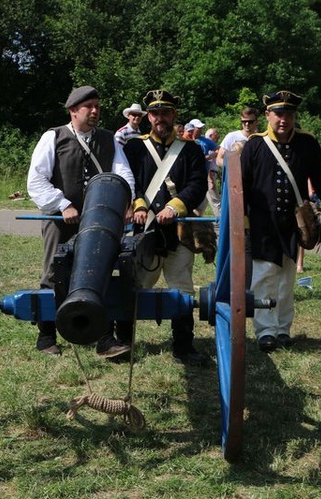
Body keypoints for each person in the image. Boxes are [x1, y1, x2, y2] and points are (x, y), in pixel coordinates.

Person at [26, 85, 136, 358]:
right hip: (60, 220)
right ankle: (47, 336)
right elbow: (36, 181)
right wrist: (62, 204)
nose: (95, 111)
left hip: (101, 221)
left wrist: (125, 201)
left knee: (100, 274)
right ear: (73, 111)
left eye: (97, 106)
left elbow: (124, 175)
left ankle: (104, 339)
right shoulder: (54, 137)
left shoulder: (109, 139)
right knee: (54, 272)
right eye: (89, 107)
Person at [241, 90, 321, 353]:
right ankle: (265, 332)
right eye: (278, 113)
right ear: (267, 115)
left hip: (293, 222)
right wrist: (242, 219)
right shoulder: (254, 145)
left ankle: (283, 329)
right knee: (264, 276)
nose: (283, 119)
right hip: (262, 221)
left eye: (288, 114)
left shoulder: (307, 143)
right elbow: (240, 185)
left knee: (286, 277)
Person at [123, 89, 209, 366]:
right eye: (155, 113)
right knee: (134, 285)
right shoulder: (134, 147)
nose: (160, 118)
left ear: (174, 115)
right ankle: (123, 342)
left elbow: (197, 184)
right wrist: (138, 205)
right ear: (148, 116)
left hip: (179, 231)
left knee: (182, 288)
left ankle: (183, 347)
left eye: (166, 112)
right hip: (144, 230)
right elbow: (129, 181)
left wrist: (175, 206)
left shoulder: (191, 149)